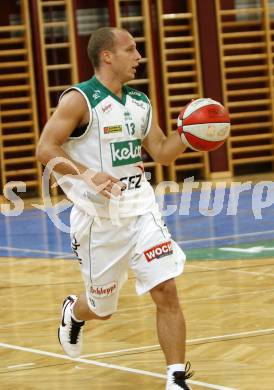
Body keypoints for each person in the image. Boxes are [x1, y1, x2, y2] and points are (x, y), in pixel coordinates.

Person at [36, 27, 193, 390]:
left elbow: (163, 152)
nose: (138, 57)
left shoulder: (139, 102)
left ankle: (176, 377)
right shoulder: (80, 100)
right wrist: (87, 174)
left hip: (141, 210)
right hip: (98, 222)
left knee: (166, 289)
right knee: (102, 309)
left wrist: (189, 133)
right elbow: (45, 149)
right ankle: (75, 312)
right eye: (131, 49)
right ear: (107, 56)